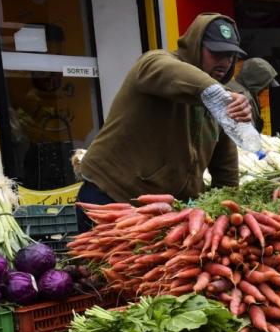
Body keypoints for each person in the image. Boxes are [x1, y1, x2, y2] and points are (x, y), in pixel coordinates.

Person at [76, 13, 253, 223]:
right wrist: (217, 93)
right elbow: (166, 70)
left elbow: (226, 170)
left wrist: (227, 211)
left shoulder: (221, 102)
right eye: (216, 53)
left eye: (231, 56)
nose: (225, 61)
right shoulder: (155, 62)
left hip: (163, 212)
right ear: (195, 46)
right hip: (111, 196)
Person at [225, 58, 277, 131]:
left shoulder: (230, 85)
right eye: (265, 85)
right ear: (256, 82)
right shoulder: (244, 96)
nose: (265, 89)